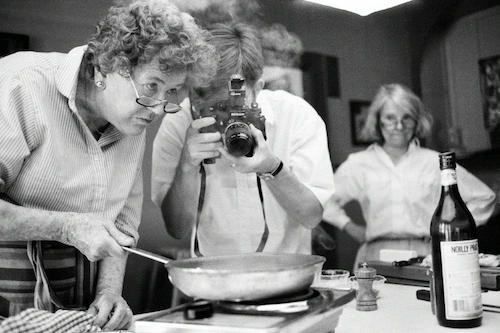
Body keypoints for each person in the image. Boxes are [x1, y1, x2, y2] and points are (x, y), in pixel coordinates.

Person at [0, 0, 216, 329]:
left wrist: (109, 292)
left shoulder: (131, 118)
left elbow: (122, 231)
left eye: (170, 92)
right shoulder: (20, 84)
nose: (158, 109)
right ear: (104, 67)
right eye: (152, 86)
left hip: (81, 304)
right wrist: (67, 227)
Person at [151, 22, 335, 256]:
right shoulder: (179, 121)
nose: (218, 115)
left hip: (287, 276)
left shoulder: (296, 115)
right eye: (204, 100)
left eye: (228, 105)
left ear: (257, 88)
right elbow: (176, 228)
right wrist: (186, 166)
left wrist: (272, 168)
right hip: (214, 279)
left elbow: (310, 217)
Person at [322, 83, 496, 269]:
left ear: (417, 121)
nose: (399, 125)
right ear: (378, 121)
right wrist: (350, 227)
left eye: (407, 118)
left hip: (426, 254)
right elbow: (322, 199)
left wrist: (449, 231)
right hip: (374, 256)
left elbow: (484, 198)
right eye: (390, 118)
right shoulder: (359, 163)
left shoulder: (434, 162)